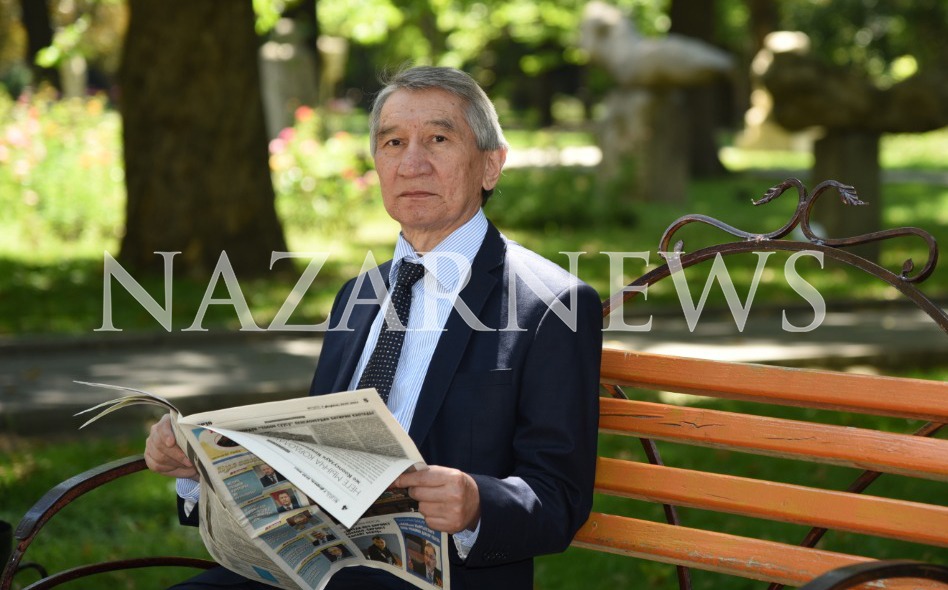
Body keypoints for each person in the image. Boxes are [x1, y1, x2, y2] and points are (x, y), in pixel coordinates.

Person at [144, 65, 602, 590]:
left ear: (491, 165)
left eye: (438, 139)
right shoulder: (357, 297)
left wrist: (478, 502)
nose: (412, 164)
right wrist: (199, 467)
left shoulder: (551, 304)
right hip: (315, 563)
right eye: (393, 142)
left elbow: (560, 498)